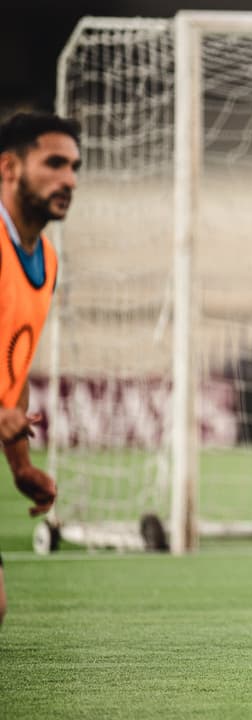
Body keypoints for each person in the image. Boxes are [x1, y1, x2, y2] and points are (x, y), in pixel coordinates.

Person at [0, 112, 80, 627]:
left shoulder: (46, 260)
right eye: (53, 163)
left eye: (74, 167)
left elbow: (13, 368)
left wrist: (21, 467)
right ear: (9, 167)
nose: (68, 179)